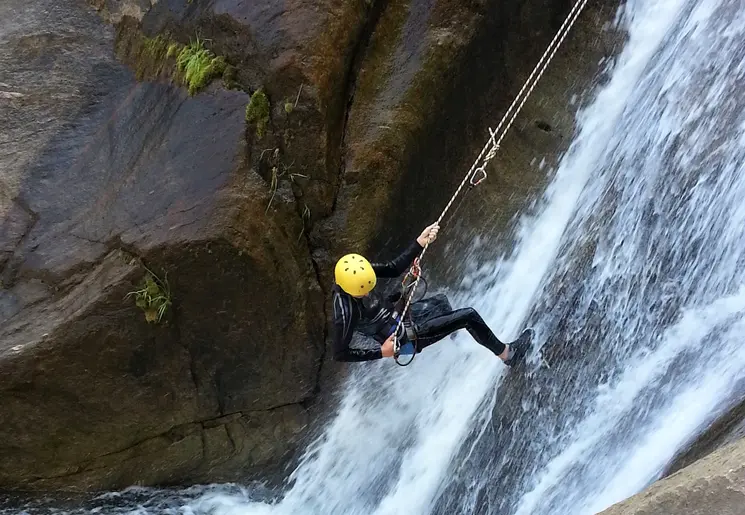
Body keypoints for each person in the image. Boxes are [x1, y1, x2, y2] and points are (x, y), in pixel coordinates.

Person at [331, 222, 533, 364]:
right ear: (349, 290)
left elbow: (392, 268)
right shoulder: (344, 312)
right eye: (362, 293)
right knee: (468, 315)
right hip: (404, 339)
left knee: (441, 303)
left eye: (369, 289)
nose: (367, 294)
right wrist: (381, 352)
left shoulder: (357, 270)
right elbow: (340, 353)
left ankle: (463, 345)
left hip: (399, 316)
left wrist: (419, 243)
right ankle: (508, 355)